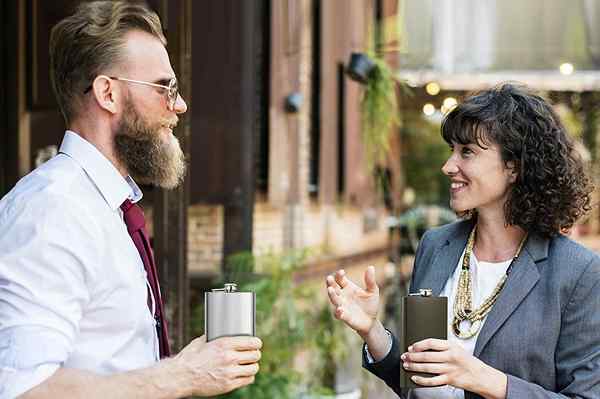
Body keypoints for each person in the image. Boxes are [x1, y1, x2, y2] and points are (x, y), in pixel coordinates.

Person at [0, 2, 261, 398]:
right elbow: (23, 390)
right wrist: (183, 375)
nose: (180, 106)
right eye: (165, 87)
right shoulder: (50, 211)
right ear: (108, 93)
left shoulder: (106, 207)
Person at [326, 83, 600, 398]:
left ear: (514, 166)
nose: (448, 166)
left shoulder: (579, 273)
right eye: (451, 150)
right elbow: (416, 382)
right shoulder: (436, 246)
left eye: (467, 152)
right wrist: (371, 330)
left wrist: (483, 378)